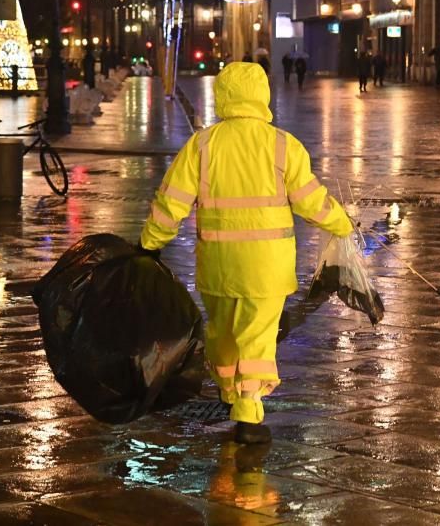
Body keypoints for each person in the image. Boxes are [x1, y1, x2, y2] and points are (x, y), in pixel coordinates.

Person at [138, 62, 353, 445]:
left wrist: (149, 243)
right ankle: (249, 412)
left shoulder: (202, 145)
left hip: (219, 266)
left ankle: (227, 390)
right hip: (267, 268)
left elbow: (170, 202)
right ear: (262, 96)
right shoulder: (282, 145)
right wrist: (342, 223)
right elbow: (311, 201)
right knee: (257, 337)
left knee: (221, 330)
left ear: (223, 95)